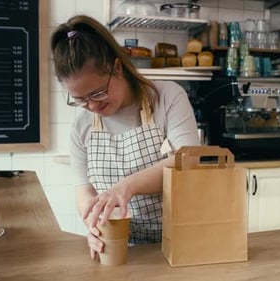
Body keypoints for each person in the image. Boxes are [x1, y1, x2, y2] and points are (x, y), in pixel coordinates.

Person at [50, 15, 200, 260]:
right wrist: (93, 222)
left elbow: (188, 161)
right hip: (120, 248)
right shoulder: (82, 125)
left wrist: (125, 188)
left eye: (97, 93)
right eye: (79, 99)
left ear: (117, 67)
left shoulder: (167, 97)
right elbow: (83, 189)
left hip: (178, 242)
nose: (91, 105)